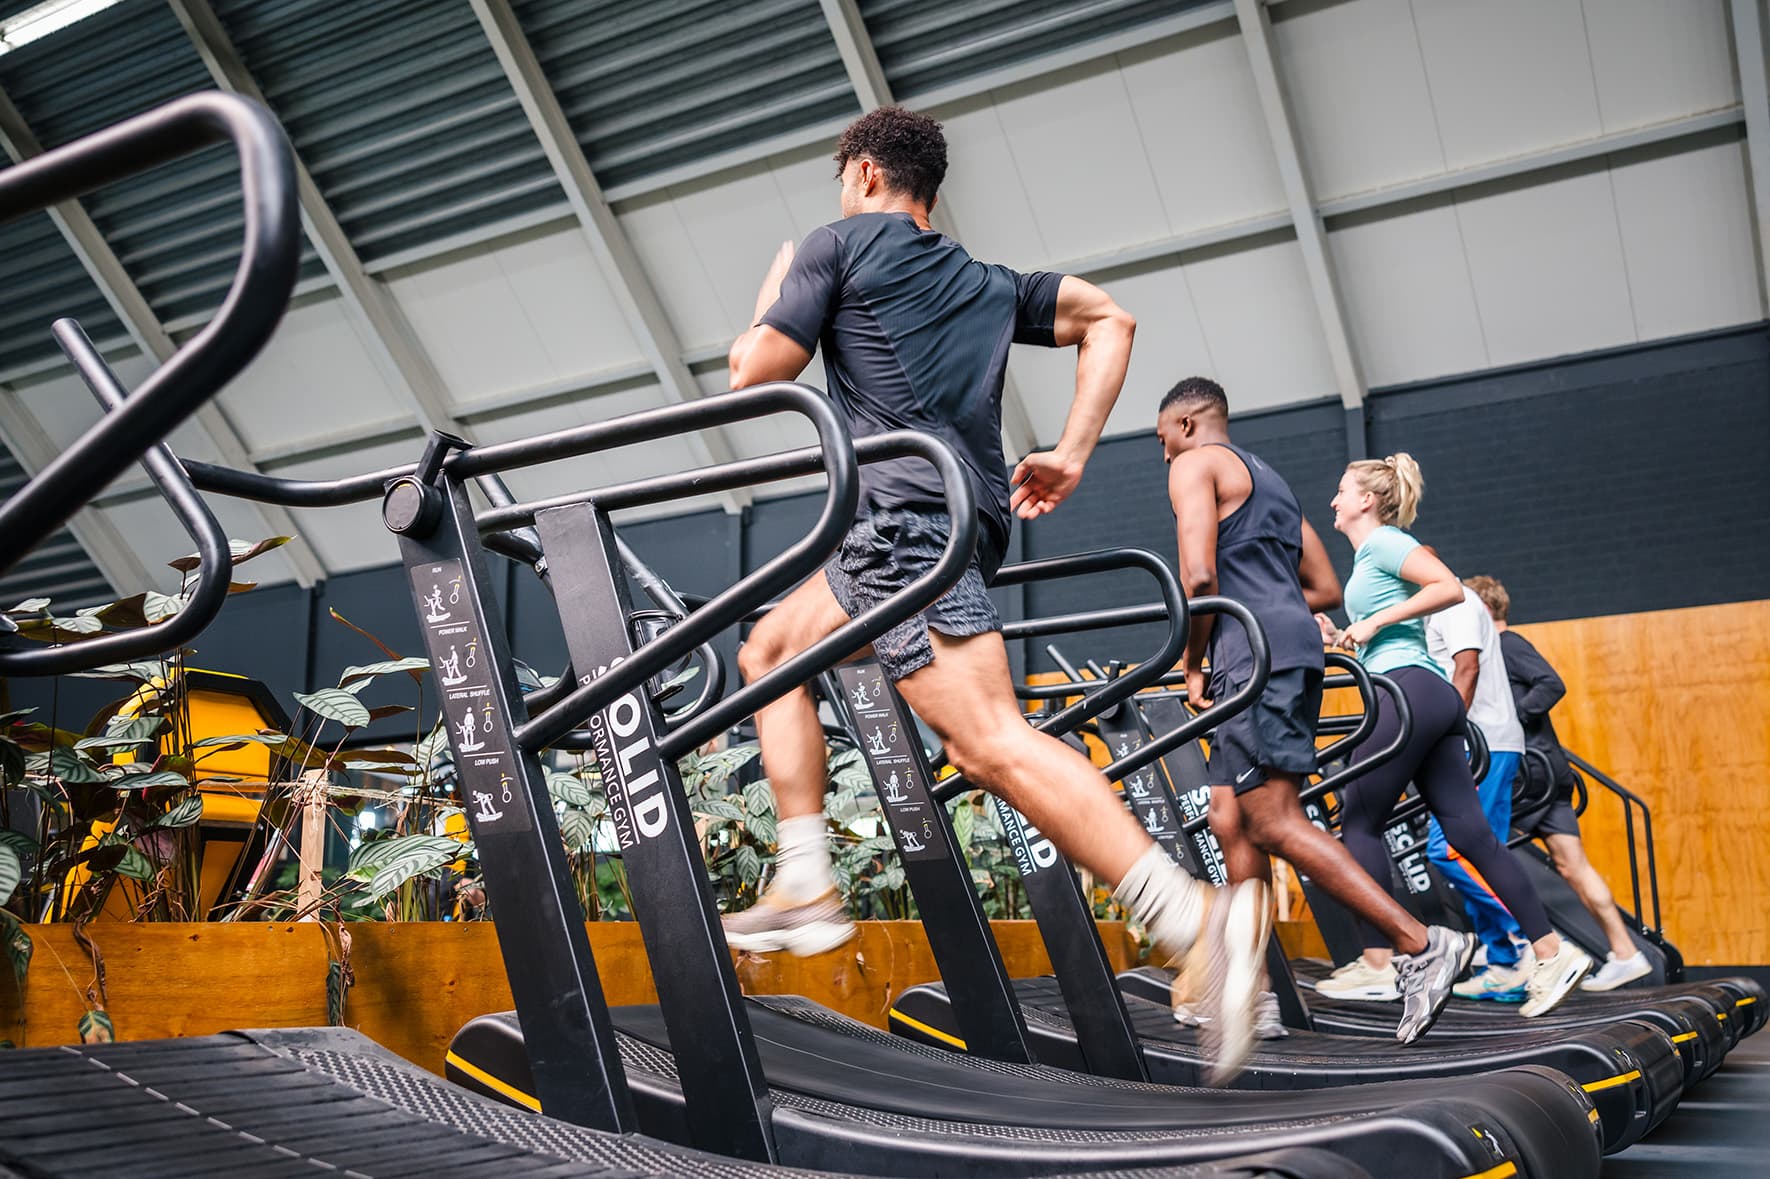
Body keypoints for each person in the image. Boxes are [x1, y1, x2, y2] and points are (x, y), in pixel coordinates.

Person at [718, 106, 1269, 1081]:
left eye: (844, 181)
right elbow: (1111, 319)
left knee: (990, 744)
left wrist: (772, 291)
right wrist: (1071, 451)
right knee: (771, 651)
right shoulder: (982, 281)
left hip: (899, 527)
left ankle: (1193, 916)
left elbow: (755, 374)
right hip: (949, 524)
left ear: (865, 175)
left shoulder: (834, 245)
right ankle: (805, 875)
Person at [1158, 377, 1468, 1044]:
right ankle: (1252, 994)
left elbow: (1198, 577)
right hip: (1290, 648)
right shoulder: (1272, 482)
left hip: (1248, 653)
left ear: (1185, 423)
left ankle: (1420, 943)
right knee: (1228, 814)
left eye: (1161, 441)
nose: (1163, 457)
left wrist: (1190, 660)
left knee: (1271, 817)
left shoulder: (1193, 463)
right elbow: (1324, 586)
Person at [1316, 453, 1591, 1019]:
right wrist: (1349, 636)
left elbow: (1447, 587)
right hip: (1429, 695)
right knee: (1471, 836)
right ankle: (1552, 953)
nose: (1334, 501)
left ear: (1368, 500)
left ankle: (1379, 966)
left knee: (1359, 820)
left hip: (1409, 692)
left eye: (1342, 491)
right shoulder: (1372, 559)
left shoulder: (1385, 543)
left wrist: (1373, 624)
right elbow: (1393, 624)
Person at [1466, 575, 1652, 991]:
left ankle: (1512, 946)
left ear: (1481, 609)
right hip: (1546, 772)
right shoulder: (1497, 650)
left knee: (1474, 847)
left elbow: (1552, 683)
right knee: (1572, 865)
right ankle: (1626, 953)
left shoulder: (1506, 645)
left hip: (1530, 776)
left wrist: (1509, 718)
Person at [1421, 578, 1532, 1001]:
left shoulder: (1453, 602)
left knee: (1447, 851)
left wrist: (1446, 732)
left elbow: (1467, 667)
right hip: (1494, 740)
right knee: (1486, 856)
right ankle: (1505, 964)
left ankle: (1529, 938)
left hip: (1480, 742)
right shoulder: (1431, 613)